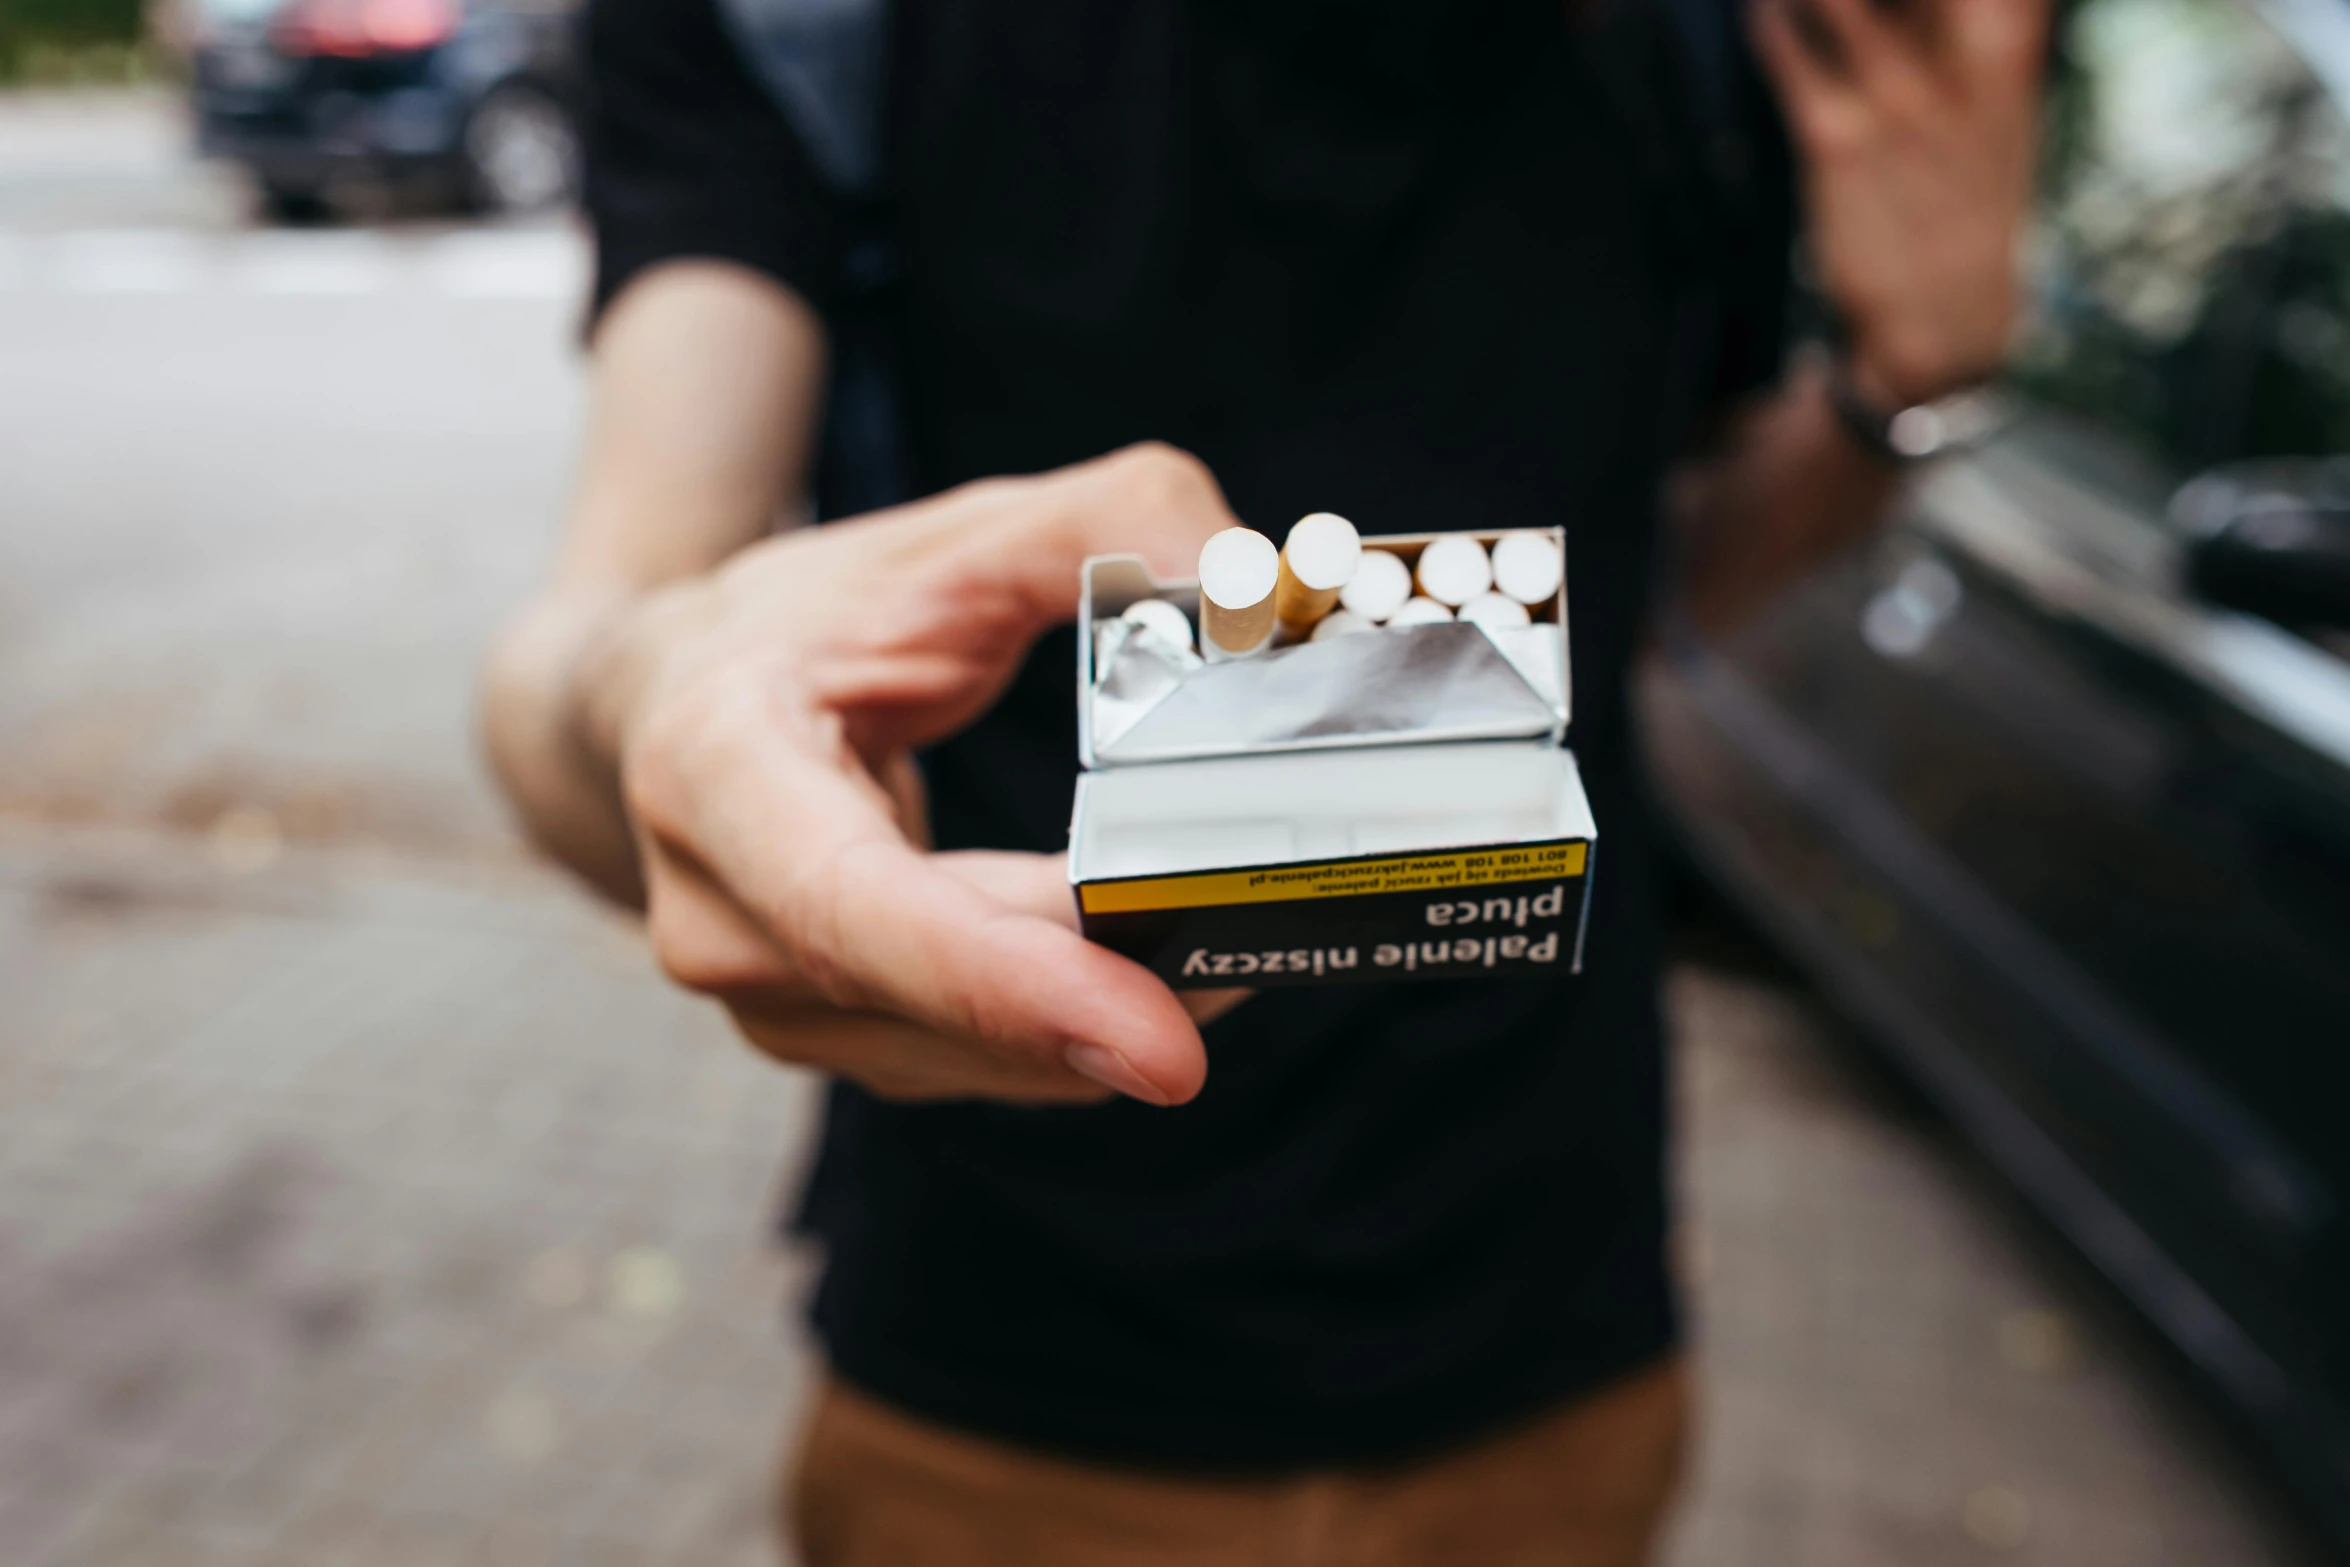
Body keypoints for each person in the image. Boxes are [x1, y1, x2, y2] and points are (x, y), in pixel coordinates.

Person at [482, 0, 2046, 1559]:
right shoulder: (801, 23)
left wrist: (1891, 386)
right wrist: (653, 701)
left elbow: (1646, 589)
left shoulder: (1732, 42)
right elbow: (605, 620)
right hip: (1011, 1380)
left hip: (1556, 1343)